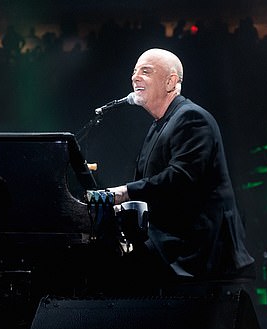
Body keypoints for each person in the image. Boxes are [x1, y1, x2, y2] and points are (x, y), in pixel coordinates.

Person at [107, 48, 254, 290]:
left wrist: (124, 193)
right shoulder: (160, 124)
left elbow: (180, 178)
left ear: (170, 82)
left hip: (195, 254)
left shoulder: (192, 118)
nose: (135, 77)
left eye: (145, 71)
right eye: (134, 72)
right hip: (173, 246)